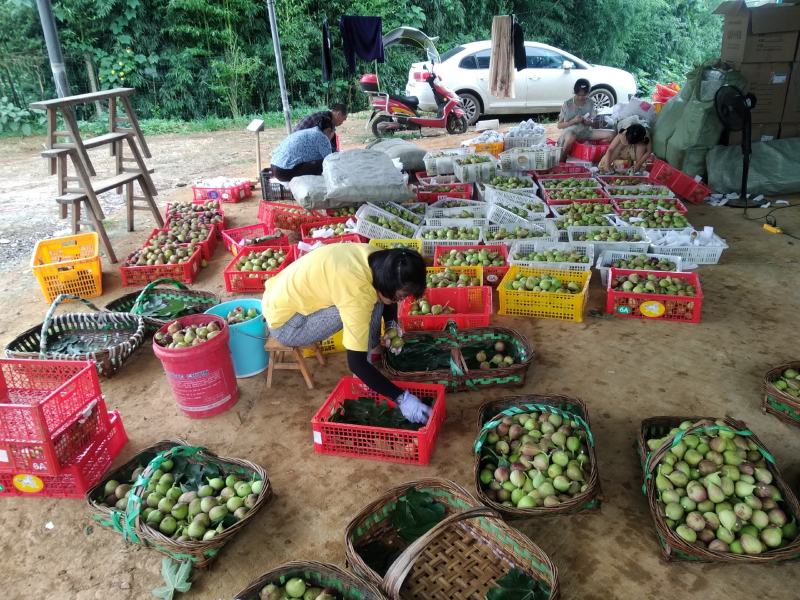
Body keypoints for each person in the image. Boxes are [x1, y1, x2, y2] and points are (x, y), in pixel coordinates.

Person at [261, 244, 432, 424]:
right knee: (369, 304)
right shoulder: (356, 293)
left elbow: (388, 293)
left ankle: (370, 352)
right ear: (389, 284)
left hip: (280, 297)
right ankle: (367, 368)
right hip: (288, 324)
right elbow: (355, 363)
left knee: (373, 299)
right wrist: (403, 399)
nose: (402, 300)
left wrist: (391, 325)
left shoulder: (379, 259)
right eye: (401, 296)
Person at [557, 79, 613, 162]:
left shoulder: (590, 102)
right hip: (570, 132)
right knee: (571, 137)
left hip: (586, 131)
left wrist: (589, 122)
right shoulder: (567, 104)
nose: (581, 97)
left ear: (588, 93)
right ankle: (562, 159)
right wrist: (573, 121)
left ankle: (595, 154)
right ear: (575, 92)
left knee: (611, 134)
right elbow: (559, 125)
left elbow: (593, 122)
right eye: (578, 95)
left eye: (584, 95)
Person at [271, 116, 334, 182]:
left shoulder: (308, 131)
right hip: (283, 171)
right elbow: (330, 160)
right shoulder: (323, 137)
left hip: (274, 166)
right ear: (329, 130)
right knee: (324, 164)